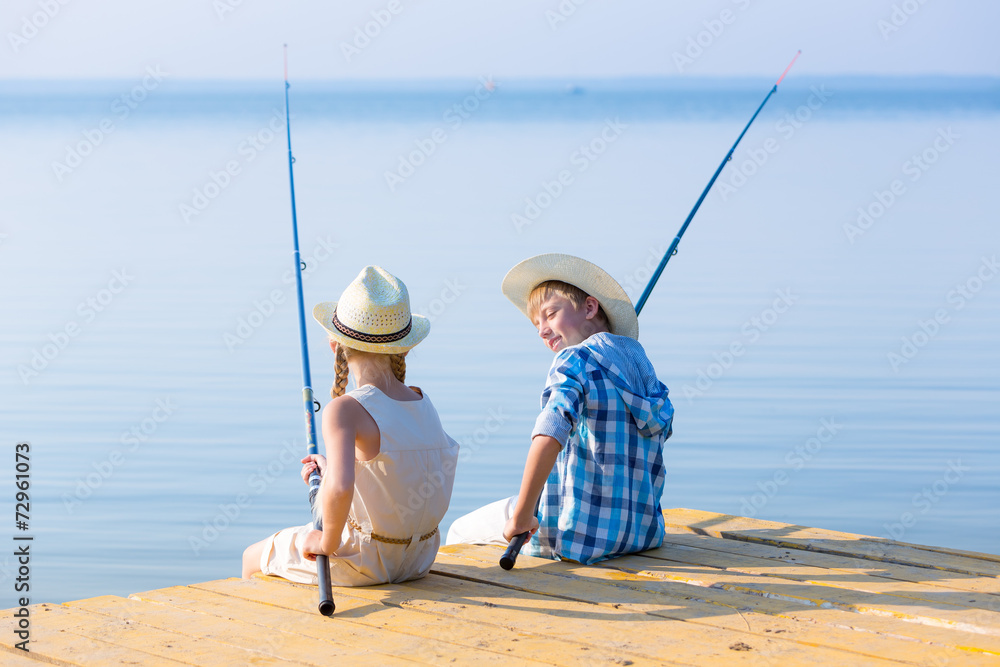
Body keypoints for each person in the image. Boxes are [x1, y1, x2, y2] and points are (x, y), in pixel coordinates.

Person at [446, 253, 673, 565]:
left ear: (590, 308)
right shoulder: (642, 365)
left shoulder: (573, 361)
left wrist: (523, 515)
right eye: (536, 323)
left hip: (577, 537)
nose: (542, 329)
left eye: (550, 314)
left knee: (459, 530)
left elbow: (550, 434)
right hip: (642, 534)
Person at [243, 265, 460, 585]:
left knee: (252, 556)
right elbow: (393, 475)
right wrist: (329, 471)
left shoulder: (343, 410)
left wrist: (325, 542)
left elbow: (342, 488)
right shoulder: (423, 403)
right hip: (418, 560)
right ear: (405, 347)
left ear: (335, 345)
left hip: (365, 563)